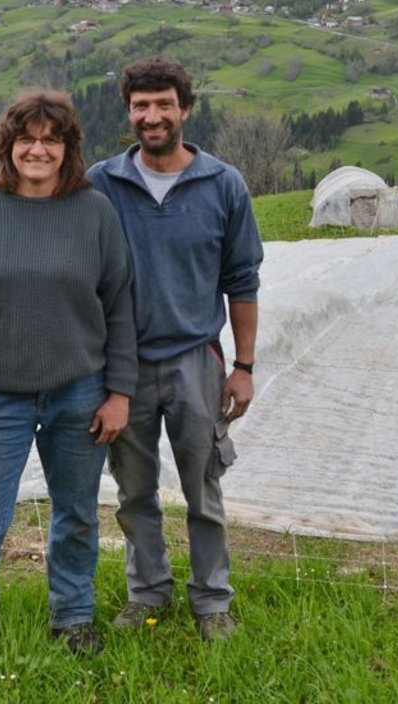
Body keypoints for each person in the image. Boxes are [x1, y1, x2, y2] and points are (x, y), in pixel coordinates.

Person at [0, 90, 136, 655]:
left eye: (52, 139)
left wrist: (119, 391)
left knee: (76, 517)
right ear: (8, 146)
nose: (38, 149)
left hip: (80, 392)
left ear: (68, 148)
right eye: (27, 138)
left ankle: (72, 618)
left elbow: (119, 304)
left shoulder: (94, 211)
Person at [90, 57, 263, 640]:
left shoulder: (223, 184)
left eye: (164, 104)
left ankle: (212, 600)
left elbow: (242, 282)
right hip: (122, 366)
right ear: (129, 113)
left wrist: (243, 366)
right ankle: (148, 592)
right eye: (141, 106)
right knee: (133, 490)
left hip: (197, 362)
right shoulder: (101, 184)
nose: (153, 116)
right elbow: (60, 258)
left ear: (185, 109)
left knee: (203, 488)